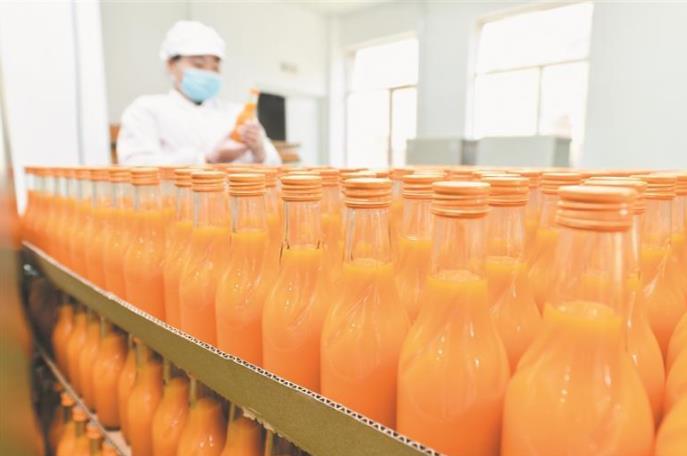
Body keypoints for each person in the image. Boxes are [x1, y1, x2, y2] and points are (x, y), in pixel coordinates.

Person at [116, 21, 281, 166]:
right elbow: (135, 165)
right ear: (170, 64)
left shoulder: (236, 114)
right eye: (198, 65)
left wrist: (259, 151)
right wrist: (207, 159)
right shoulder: (146, 110)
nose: (208, 74)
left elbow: (275, 164)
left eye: (215, 68)